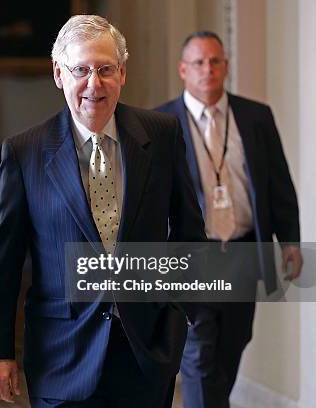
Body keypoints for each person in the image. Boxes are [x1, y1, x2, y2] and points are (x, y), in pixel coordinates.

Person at [0, 15, 206, 408]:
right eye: (81, 69)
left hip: (146, 351)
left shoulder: (162, 134)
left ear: (122, 72)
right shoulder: (25, 152)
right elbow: (3, 262)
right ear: (58, 74)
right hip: (61, 356)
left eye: (104, 69)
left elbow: (189, 232)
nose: (93, 83)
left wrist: (180, 313)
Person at [156, 31, 302, 408]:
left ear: (226, 66)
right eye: (199, 62)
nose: (208, 69)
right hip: (191, 259)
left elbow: (278, 186)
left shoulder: (256, 117)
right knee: (198, 354)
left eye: (215, 61)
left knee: (231, 348)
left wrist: (289, 242)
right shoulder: (159, 123)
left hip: (241, 254)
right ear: (183, 70)